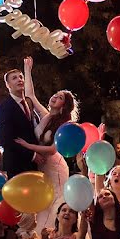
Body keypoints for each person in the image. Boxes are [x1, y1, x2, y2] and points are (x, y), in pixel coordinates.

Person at [14, 82, 79, 231]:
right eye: (56, 94)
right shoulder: (46, 116)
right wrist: (28, 69)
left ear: (64, 105)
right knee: (42, 201)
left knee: (53, 203)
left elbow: (51, 149)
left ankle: (52, 235)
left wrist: (28, 146)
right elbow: (30, 95)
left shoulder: (64, 124)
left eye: (60, 97)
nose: (55, 96)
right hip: (42, 167)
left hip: (55, 167)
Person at [0, 58, 41, 178]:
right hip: (17, 166)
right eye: (14, 78)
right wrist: (32, 155)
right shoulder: (4, 108)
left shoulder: (28, 103)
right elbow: (6, 140)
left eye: (21, 77)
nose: (19, 80)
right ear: (8, 85)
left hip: (35, 166)